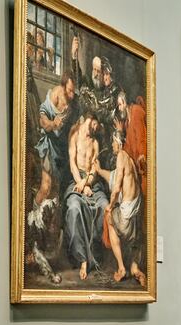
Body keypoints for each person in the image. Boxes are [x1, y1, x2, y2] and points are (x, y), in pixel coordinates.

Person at [94, 129, 145, 287]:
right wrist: (99, 170)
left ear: (119, 142)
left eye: (113, 142)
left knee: (109, 218)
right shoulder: (128, 160)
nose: (111, 145)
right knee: (134, 242)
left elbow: (116, 188)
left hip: (127, 215)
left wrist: (109, 206)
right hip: (136, 214)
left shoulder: (121, 156)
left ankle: (122, 268)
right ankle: (135, 269)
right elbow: (113, 176)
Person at [63, 112, 108, 280]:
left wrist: (87, 183)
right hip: (76, 181)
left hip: (92, 183)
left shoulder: (95, 142)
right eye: (93, 124)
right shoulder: (74, 133)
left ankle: (94, 256)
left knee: (104, 207)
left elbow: (95, 169)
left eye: (96, 127)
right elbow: (72, 163)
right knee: (74, 208)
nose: (94, 128)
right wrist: (81, 184)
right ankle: (82, 258)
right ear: (88, 120)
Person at [33, 70, 76, 207]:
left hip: (61, 148)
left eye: (73, 91)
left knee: (55, 191)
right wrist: (53, 124)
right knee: (46, 187)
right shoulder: (55, 95)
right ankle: (32, 217)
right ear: (63, 87)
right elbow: (42, 121)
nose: (72, 95)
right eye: (69, 91)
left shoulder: (73, 100)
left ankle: (47, 222)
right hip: (50, 145)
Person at [114, 90, 147, 194]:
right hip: (136, 166)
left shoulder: (136, 112)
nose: (119, 108)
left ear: (125, 102)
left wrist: (142, 155)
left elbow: (142, 137)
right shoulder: (127, 122)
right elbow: (127, 148)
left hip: (143, 162)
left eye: (120, 105)